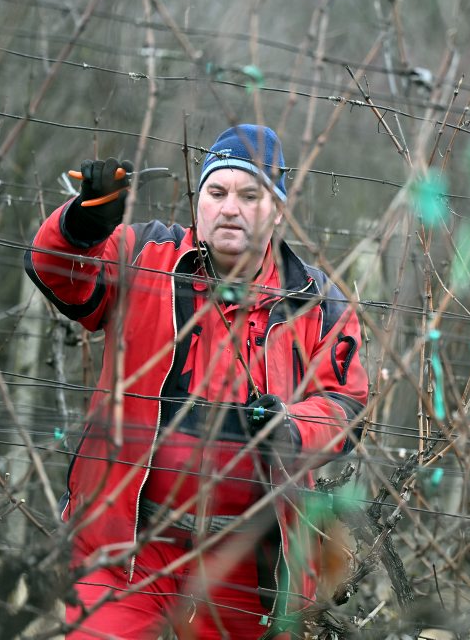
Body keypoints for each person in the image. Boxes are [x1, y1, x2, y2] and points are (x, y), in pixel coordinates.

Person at [24, 124, 369, 639]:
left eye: (250, 195)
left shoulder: (318, 304)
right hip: (125, 547)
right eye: (217, 192)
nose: (230, 208)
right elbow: (59, 271)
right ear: (198, 199)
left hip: (246, 566)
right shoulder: (143, 254)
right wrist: (82, 224)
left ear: (276, 209)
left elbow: (345, 405)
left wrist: (291, 430)